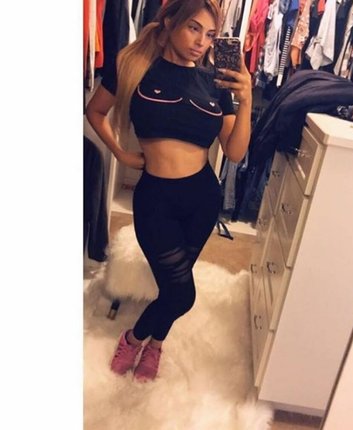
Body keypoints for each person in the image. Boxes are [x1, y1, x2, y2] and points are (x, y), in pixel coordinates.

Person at [85, 0, 252, 382]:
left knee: (173, 286)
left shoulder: (215, 82)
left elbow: (235, 151)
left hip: (202, 198)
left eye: (210, 35)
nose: (201, 42)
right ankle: (133, 338)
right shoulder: (133, 66)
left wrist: (245, 101)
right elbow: (95, 111)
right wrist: (121, 153)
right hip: (155, 199)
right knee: (181, 294)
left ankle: (155, 344)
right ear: (169, 21)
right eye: (194, 28)